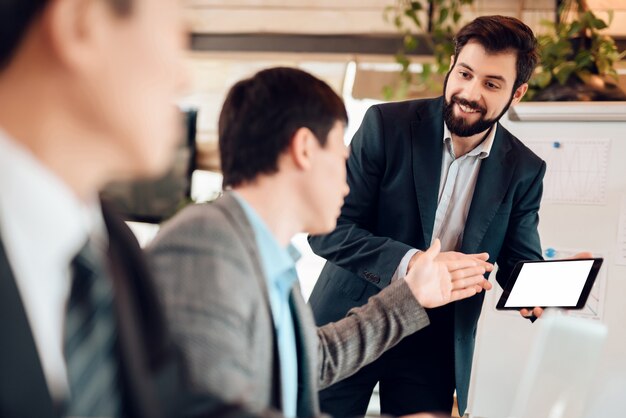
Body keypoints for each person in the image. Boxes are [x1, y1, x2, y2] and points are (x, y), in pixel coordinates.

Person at [146, 67, 492, 418]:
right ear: (305, 149)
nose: (346, 185)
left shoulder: (269, 259)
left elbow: (314, 361)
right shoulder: (204, 245)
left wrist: (412, 296)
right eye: (342, 160)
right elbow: (210, 408)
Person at [0, 0, 267, 417]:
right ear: (81, 25)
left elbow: (175, 404)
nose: (185, 76)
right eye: (179, 35)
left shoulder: (108, 245)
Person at [307, 15, 546, 417]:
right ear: (452, 66)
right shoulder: (386, 126)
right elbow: (327, 231)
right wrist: (413, 263)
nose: (469, 92)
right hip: (351, 321)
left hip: (433, 343)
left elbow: (519, 260)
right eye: (465, 73)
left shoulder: (524, 168)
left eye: (491, 84)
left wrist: (545, 291)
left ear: (517, 93)